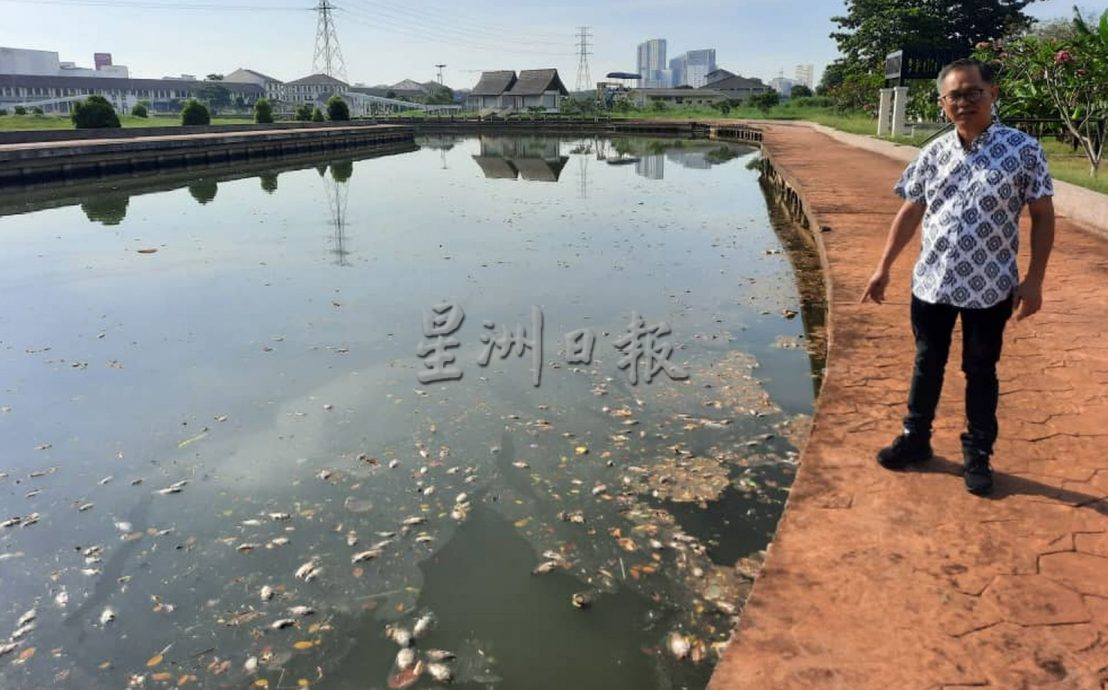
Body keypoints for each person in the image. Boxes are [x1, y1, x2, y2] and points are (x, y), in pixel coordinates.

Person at [860, 58, 1055, 495]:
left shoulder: (1023, 149)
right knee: (927, 362)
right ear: (943, 103)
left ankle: (978, 453)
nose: (964, 102)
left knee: (980, 369)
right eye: (954, 96)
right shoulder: (934, 151)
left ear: (993, 93)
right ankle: (916, 440)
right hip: (933, 282)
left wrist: (1035, 280)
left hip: (990, 286)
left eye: (973, 93)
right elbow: (911, 209)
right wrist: (883, 268)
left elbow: (1042, 216)